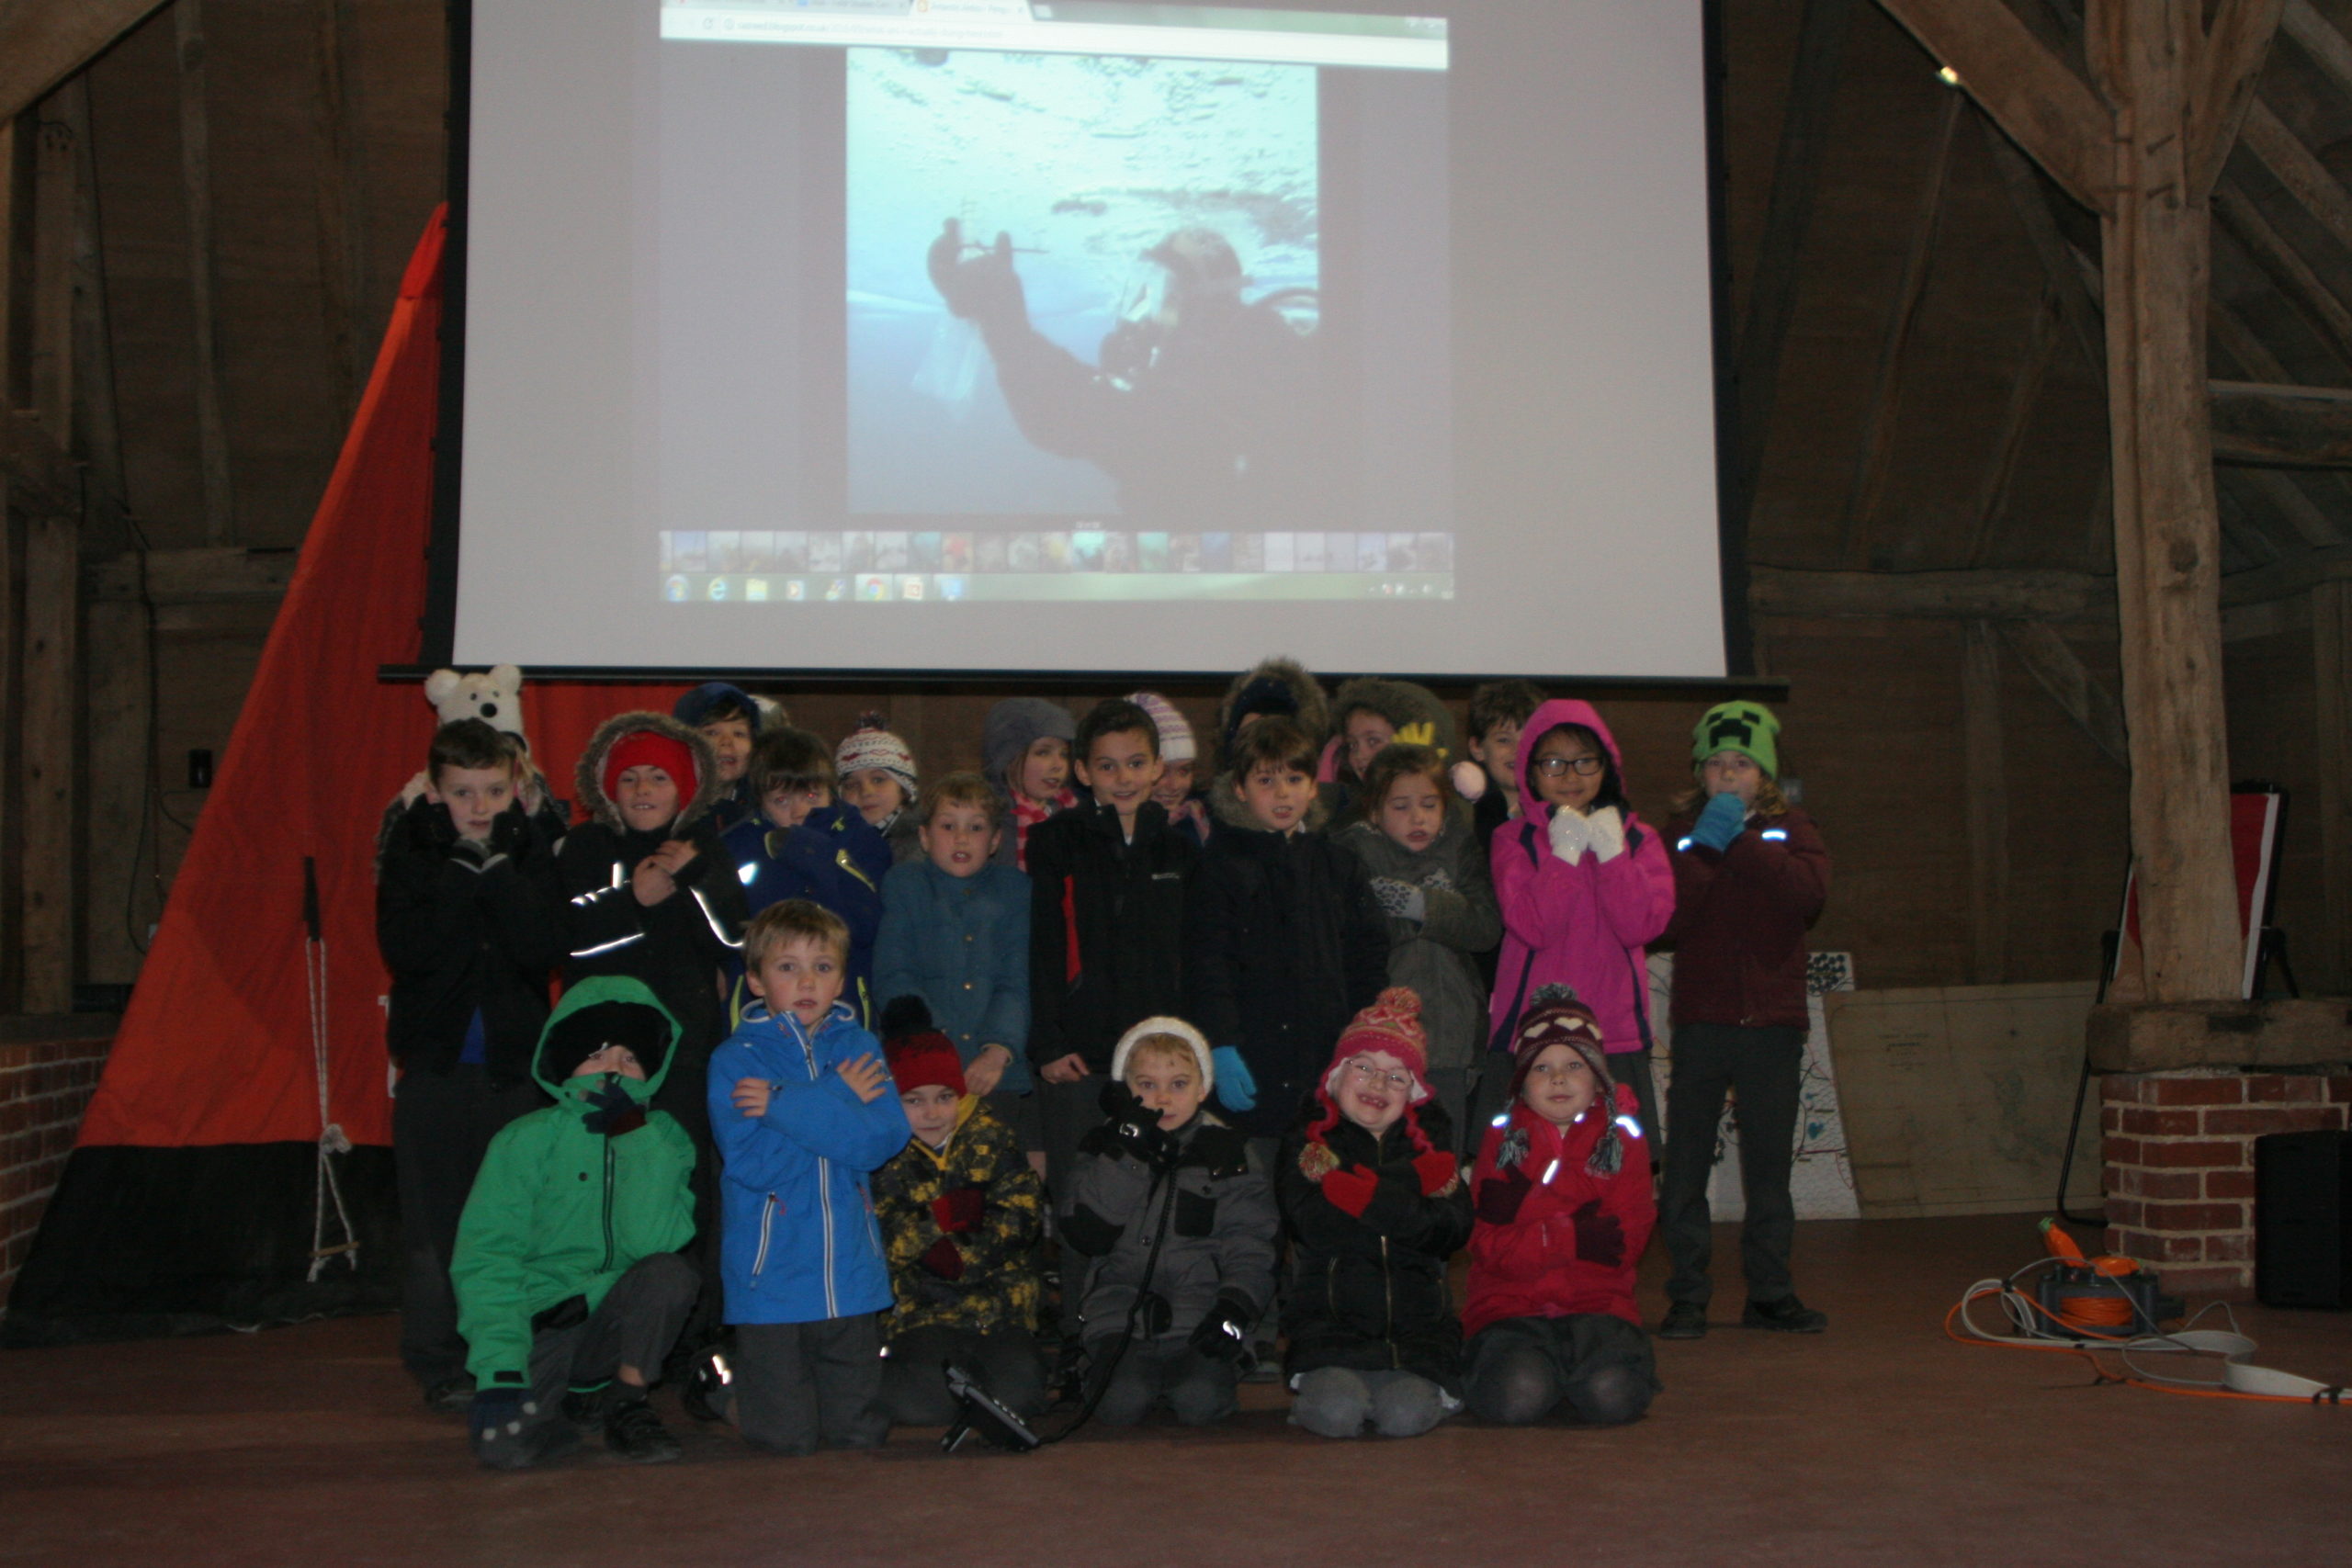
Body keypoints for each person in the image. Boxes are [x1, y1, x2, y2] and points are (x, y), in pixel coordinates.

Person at [377, 718, 565, 1411]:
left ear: (515, 787)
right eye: (462, 792)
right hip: (434, 1069)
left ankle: (507, 1350)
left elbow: (542, 946)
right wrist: (461, 871)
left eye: (492, 789)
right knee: (435, 1229)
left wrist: (502, 874)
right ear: (433, 789)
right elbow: (410, 947)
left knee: (512, 1222)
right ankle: (439, 1360)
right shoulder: (412, 846)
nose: (479, 807)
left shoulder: (529, 843)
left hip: (514, 1072)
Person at [451, 976, 701, 1469]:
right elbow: (487, 1256)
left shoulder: (664, 1139)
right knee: (506, 1450)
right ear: (565, 1064)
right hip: (543, 1323)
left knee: (670, 1274)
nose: (614, 1070)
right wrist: (499, 1367)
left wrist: (634, 1138)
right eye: (598, 1053)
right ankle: (566, 1405)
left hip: (614, 1317)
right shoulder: (523, 1140)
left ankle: (624, 1400)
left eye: (631, 1059)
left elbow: (658, 1243)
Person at [927, 220, 1318, 527]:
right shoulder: (1225, 354)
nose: (1147, 306)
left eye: (1163, 289)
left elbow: (1080, 419)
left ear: (1199, 301)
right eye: (1145, 285)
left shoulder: (1227, 380)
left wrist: (1003, 323)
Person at [707, 901, 910, 1455]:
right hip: (770, 1277)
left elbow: (878, 1143)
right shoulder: (734, 1060)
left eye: (822, 968)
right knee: (786, 1440)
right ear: (754, 980)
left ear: (842, 980)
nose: (806, 982)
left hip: (850, 1271)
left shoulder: (861, 1049)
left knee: (857, 1434)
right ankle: (721, 1396)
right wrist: (835, 1098)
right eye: (786, 967)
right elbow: (753, 1164)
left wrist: (783, 1106)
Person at [1657, 701, 1833, 1339]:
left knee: (1768, 1169)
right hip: (1703, 1020)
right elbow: (1667, 916)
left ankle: (1770, 1291)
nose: (1728, 775)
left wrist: (1742, 840)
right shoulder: (1678, 829)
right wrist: (1705, 844)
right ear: (1699, 773)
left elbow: (1808, 896)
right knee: (1685, 1167)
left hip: (1772, 1024)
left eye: (1742, 763)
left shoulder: (1794, 827)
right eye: (1716, 764)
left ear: (1764, 773)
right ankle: (1688, 1295)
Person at [1058, 1018, 1277, 1427]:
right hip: (1120, 1308)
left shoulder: (1229, 1150)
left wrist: (1235, 1307)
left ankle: (1204, 1373)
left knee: (1201, 1402)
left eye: (1178, 1084)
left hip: (1201, 1306)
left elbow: (1251, 1241)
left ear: (1203, 1088)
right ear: (1126, 1090)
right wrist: (1129, 1151)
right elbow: (1086, 1232)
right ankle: (1108, 1369)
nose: (1162, 1098)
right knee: (1120, 1404)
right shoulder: (1102, 1145)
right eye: (1146, 1085)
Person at [1277, 988, 1472, 1439]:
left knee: (1404, 1417)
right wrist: (1409, 1186)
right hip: (1331, 1330)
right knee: (1336, 1414)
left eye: (1396, 1076)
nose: (1377, 1084)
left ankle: (1410, 1388)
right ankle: (1332, 1391)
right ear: (1335, 1075)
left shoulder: (1434, 1150)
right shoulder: (1309, 1145)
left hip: (1417, 1334)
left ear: (1414, 1093)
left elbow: (1452, 1227)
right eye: (1363, 1067)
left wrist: (1364, 1194)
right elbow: (1314, 1223)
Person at [1184, 715, 1388, 1145]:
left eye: (1295, 779)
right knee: (1251, 1191)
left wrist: (1364, 1041)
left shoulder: (1339, 865)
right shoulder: (1218, 867)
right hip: (1250, 1057)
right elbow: (1207, 963)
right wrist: (1219, 1043)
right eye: (1265, 781)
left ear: (1314, 786)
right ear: (1240, 789)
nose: (1282, 793)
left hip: (1329, 1062)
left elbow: (1367, 959)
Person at [1463, 987, 1659, 1428]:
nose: (1558, 1079)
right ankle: (1547, 1375)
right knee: (1517, 1397)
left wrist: (1530, 1220)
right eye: (1542, 1068)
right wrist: (1569, 1235)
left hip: (1598, 1302)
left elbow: (1620, 1245)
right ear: (1521, 1084)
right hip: (1510, 1304)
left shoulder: (1623, 1141)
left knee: (1614, 1397)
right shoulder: (1502, 1142)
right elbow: (1488, 1245)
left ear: (1598, 1079)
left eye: (1574, 1066)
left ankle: (1571, 1375)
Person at [1026, 697, 1199, 1196]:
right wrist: (1049, 1045)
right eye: (1107, 765)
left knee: (1155, 1197)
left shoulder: (1181, 852)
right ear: (1083, 771)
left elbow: (1193, 957)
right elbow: (1044, 947)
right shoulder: (1056, 842)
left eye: (1136, 763)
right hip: (1079, 1058)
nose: (1123, 777)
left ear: (1158, 767)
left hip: (1160, 1063)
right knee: (1081, 1196)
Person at [555, 711, 748, 1151]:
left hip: (682, 1046)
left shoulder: (702, 848)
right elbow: (566, 938)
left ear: (684, 789)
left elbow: (734, 939)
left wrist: (698, 879)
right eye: (630, 779)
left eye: (659, 778)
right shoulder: (586, 846)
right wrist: (631, 902)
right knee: (602, 1164)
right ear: (608, 790)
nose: (643, 790)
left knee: (678, 1165)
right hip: (599, 1047)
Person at [1482, 698, 1674, 1138]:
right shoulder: (1513, 839)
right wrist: (1564, 855)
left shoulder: (1639, 839)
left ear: (1607, 766)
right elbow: (1533, 926)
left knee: (1615, 1168)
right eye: (1553, 763)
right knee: (1525, 1168)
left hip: (1614, 1031)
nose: (1570, 776)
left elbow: (1640, 926)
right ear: (1530, 771)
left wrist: (1612, 856)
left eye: (1584, 761)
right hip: (1533, 1030)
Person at [869, 997, 1048, 1426]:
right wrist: (944, 1217)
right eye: (914, 1101)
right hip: (924, 1312)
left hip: (1000, 1307)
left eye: (944, 1097)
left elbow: (1020, 1218)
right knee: (923, 1403)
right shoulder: (882, 1154)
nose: (932, 1113)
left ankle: (984, 1394)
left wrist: (957, 1258)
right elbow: (886, 1238)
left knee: (1021, 1395)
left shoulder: (993, 1138)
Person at [1336, 742, 1500, 1139]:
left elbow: (1485, 927)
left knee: (1441, 1156)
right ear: (1374, 812)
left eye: (1429, 804)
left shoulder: (1460, 850)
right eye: (1401, 806)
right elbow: (1354, 939)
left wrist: (1421, 904)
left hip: (1450, 1035)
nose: (1418, 817)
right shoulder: (1351, 856)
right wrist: (1440, 911)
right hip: (1377, 1044)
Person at [872, 772, 1036, 1160]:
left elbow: (1017, 979)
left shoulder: (1015, 890)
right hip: (923, 1066)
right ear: (925, 838)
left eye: (975, 828)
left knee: (996, 1182)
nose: (961, 839)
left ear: (995, 840)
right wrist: (932, 1042)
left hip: (995, 1072)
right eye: (948, 826)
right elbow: (895, 973)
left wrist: (997, 1050)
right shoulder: (905, 884)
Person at [724, 727, 890, 1028]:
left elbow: (868, 927)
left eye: (811, 796)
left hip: (844, 1005)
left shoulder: (859, 841)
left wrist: (815, 856)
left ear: (831, 790)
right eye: (781, 800)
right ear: (761, 801)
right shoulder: (740, 845)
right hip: (760, 1011)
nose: (799, 811)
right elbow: (725, 933)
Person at [1324, 677, 1460, 823]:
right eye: (1352, 745)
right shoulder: (1342, 811)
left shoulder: (1455, 818)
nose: (1359, 755)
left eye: (1373, 741)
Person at [982, 697, 1077, 871]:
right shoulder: (990, 818)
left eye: (1064, 754)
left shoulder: (1072, 811)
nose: (1058, 765)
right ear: (1008, 757)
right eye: (1043, 753)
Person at [673, 681, 772, 834]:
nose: (727, 742)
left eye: (739, 734)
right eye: (712, 733)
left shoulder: (768, 809)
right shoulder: (664, 811)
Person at [1464, 678, 1546, 861]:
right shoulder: (1465, 817)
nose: (1518, 750)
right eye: (1503, 740)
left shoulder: (1556, 808)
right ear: (1477, 748)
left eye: (1529, 739)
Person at [836, 716, 923, 866]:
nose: (866, 792)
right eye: (851, 785)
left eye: (878, 780)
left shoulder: (924, 845)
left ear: (904, 788)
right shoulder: (837, 842)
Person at [1130, 690, 1209, 846]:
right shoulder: (1106, 833)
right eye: (1163, 772)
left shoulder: (1197, 824)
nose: (1174, 786)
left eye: (1184, 771)